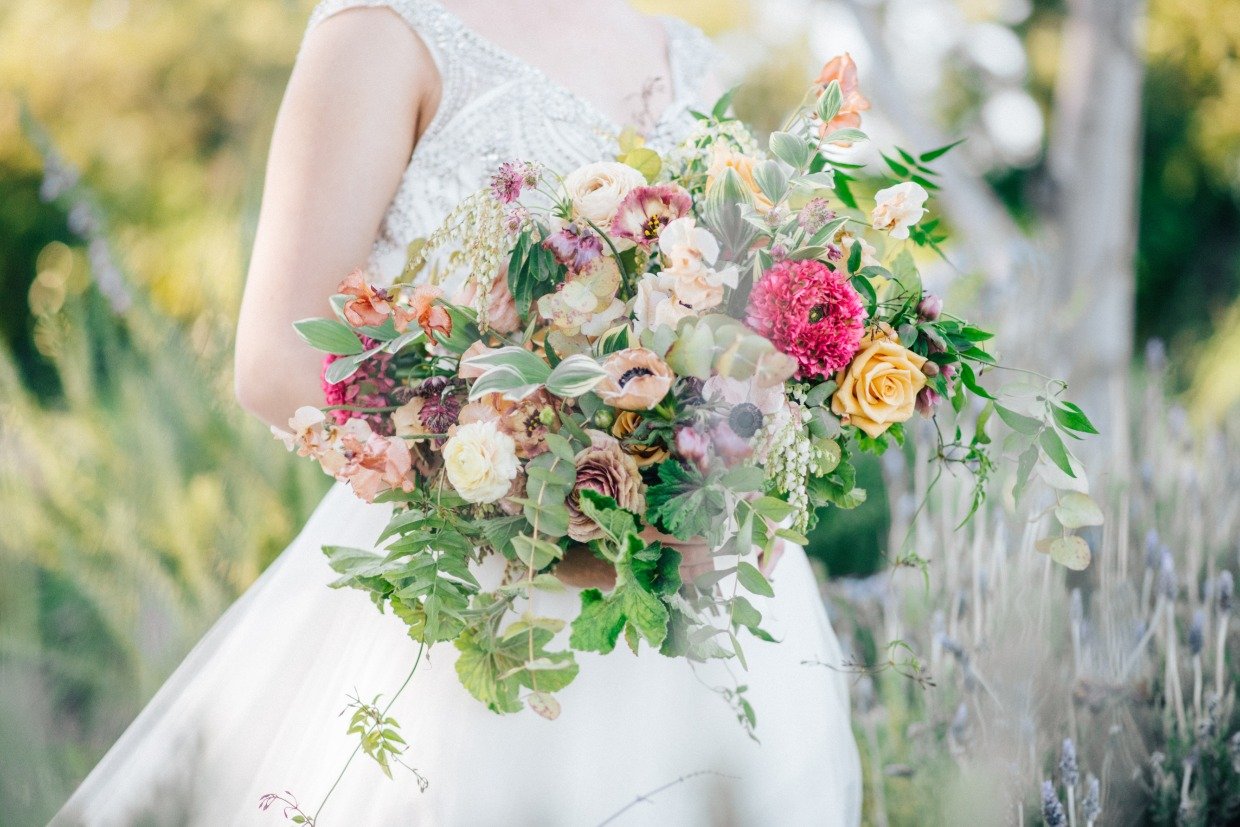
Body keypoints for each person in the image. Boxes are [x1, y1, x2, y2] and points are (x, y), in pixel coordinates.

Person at [53, 2, 861, 823]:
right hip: (477, 594)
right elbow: (276, 358)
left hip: (697, 595)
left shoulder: (678, 48)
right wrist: (549, 498)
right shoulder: (381, 31)